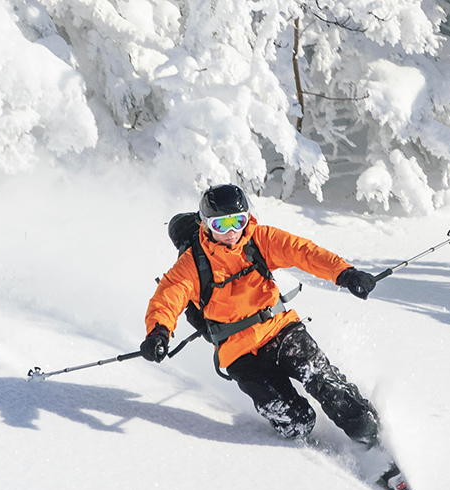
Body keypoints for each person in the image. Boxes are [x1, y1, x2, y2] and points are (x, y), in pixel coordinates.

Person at [140, 184, 381, 446]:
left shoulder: (259, 239)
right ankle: (308, 446)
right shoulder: (191, 264)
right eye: (222, 226)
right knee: (294, 419)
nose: (232, 233)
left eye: (238, 222)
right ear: (207, 225)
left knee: (324, 382)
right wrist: (158, 333)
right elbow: (168, 297)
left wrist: (344, 273)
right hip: (240, 354)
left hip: (280, 330)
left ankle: (370, 434)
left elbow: (303, 251)